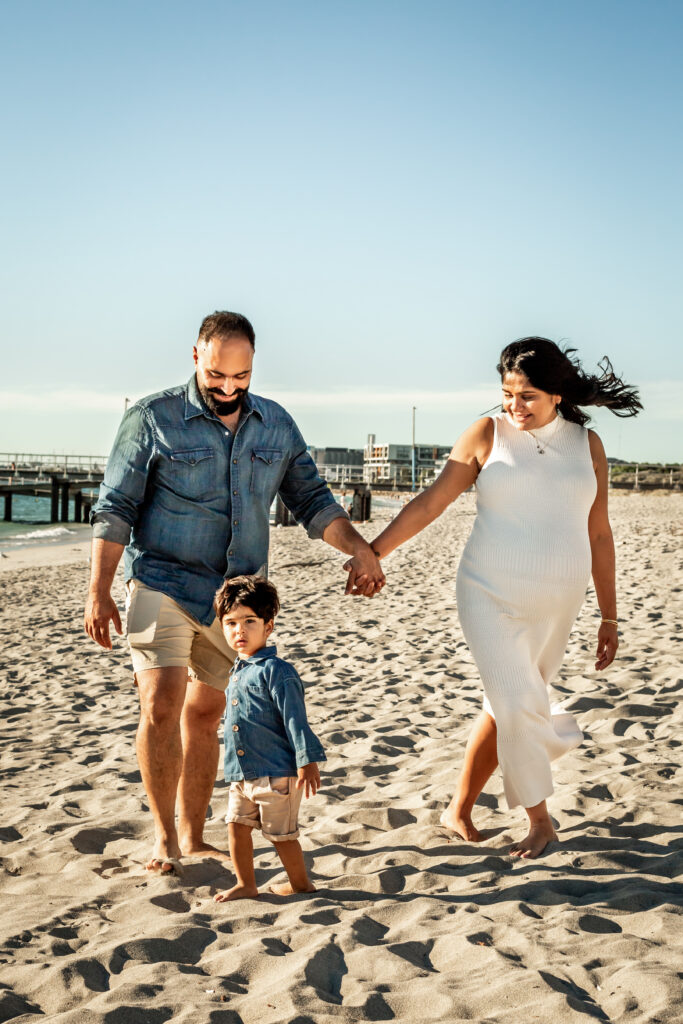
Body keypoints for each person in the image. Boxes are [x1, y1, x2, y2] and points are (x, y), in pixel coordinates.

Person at [84, 311, 384, 875]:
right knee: (161, 703)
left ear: (252, 367)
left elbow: (314, 502)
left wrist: (359, 548)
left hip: (235, 600)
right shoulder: (151, 418)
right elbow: (116, 507)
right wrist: (98, 591)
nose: (227, 388)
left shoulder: (276, 425)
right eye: (217, 374)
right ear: (196, 357)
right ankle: (164, 839)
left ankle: (195, 836)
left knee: (208, 715)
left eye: (240, 377)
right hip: (162, 582)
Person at [370, 338, 641, 858]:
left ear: (557, 394)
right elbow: (431, 504)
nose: (514, 406)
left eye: (528, 396)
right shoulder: (485, 435)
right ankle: (541, 821)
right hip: (489, 593)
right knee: (519, 703)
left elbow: (599, 534)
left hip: (558, 603)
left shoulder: (588, 446)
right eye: (507, 394)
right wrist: (374, 552)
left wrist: (610, 615)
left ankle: (458, 810)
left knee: (506, 705)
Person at [213, 575, 323, 901]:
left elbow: (295, 720)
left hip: (276, 774)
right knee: (235, 826)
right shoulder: (237, 668)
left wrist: (307, 760)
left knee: (282, 837)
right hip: (242, 773)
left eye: (249, 621)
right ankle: (246, 883)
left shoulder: (277, 670)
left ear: (268, 626)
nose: (240, 631)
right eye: (231, 623)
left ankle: (301, 884)